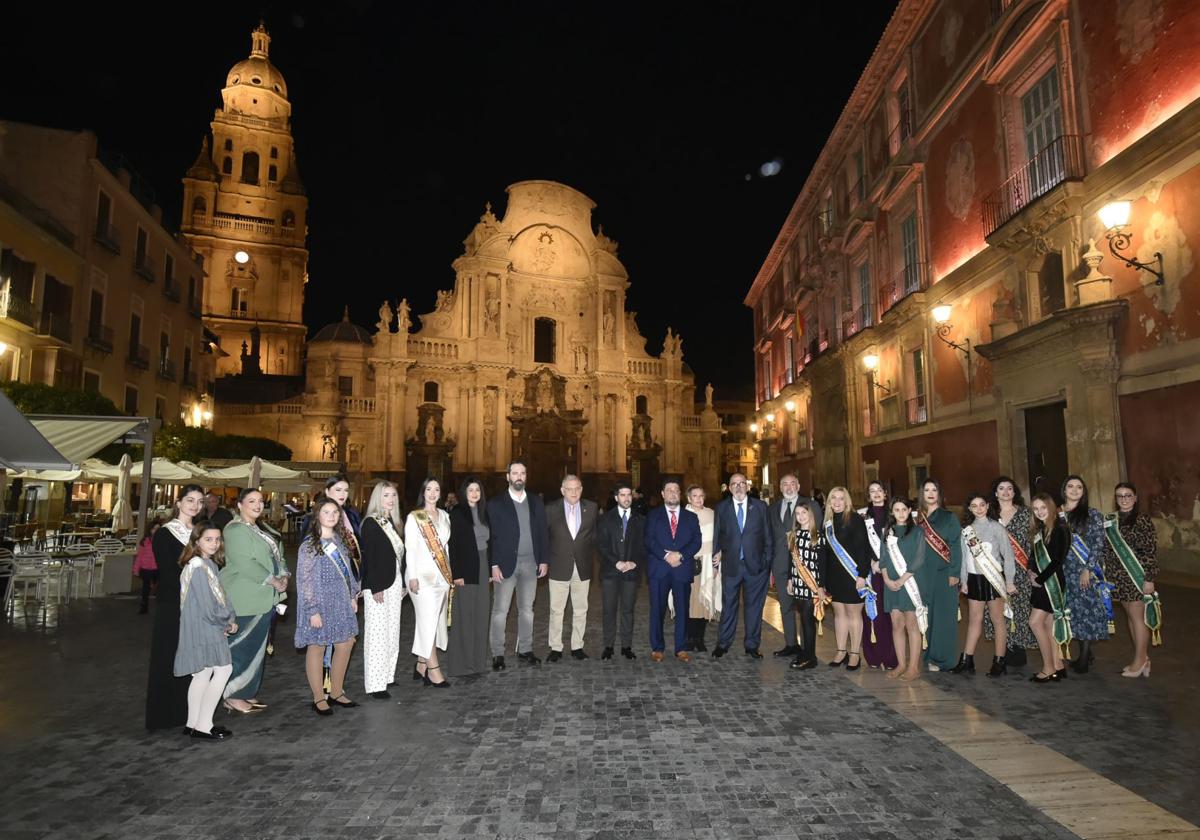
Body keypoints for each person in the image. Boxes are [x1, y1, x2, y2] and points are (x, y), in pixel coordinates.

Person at [220, 488, 289, 713]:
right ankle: (232, 695)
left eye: (260, 501)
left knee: (256, 650)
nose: (258, 505)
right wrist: (273, 581)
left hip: (263, 598)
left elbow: (278, 555)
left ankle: (247, 692)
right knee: (241, 648)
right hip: (245, 597)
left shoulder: (262, 529)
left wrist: (285, 575)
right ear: (239, 505)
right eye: (251, 501)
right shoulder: (235, 530)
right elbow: (245, 562)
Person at [145, 484, 206, 731]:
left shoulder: (202, 532)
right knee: (170, 656)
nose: (195, 505)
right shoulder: (165, 533)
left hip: (199, 604)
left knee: (195, 659)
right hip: (174, 604)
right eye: (190, 500)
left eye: (200, 501)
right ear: (178, 502)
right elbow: (168, 574)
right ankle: (165, 714)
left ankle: (189, 712)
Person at [295, 499, 362, 713]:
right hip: (320, 602)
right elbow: (304, 580)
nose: (331, 516)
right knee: (317, 646)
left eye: (335, 512)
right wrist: (312, 610)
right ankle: (319, 697)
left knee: (346, 643)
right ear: (317, 515)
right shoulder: (309, 545)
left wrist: (353, 595)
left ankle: (336, 691)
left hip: (341, 600)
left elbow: (349, 571)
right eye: (326, 512)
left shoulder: (340, 540)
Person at [174, 523, 238, 741]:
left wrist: (228, 617)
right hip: (205, 626)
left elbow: (217, 597)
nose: (214, 543)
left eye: (217, 539)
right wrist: (226, 623)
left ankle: (192, 723)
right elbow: (209, 606)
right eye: (208, 539)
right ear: (197, 541)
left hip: (198, 625)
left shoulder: (203, 564)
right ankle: (204, 724)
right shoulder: (199, 567)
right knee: (223, 670)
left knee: (202, 674)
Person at [487, 460, 549, 670]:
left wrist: (544, 559)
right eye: (515, 473)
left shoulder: (535, 502)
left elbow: (542, 532)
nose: (519, 477)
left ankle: (525, 649)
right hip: (505, 565)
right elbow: (492, 537)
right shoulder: (496, 504)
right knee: (500, 611)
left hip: (530, 563)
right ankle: (497, 654)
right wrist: (493, 564)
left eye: (522, 473)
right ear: (508, 476)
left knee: (527, 610)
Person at [954, 492, 1017, 677]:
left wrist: (1010, 581)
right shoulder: (966, 531)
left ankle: (999, 661)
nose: (979, 509)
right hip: (974, 580)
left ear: (988, 506)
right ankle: (967, 660)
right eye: (974, 506)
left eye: (982, 505)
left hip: (993, 579)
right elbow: (965, 559)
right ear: (970, 509)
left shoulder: (997, 528)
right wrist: (964, 581)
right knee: (974, 620)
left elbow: (1008, 556)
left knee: (997, 620)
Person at [711, 472, 773, 658]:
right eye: (734, 484)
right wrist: (715, 560)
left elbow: (768, 537)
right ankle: (723, 643)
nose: (738, 487)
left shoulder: (760, 507)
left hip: (756, 568)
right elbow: (717, 536)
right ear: (729, 488)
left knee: (754, 607)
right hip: (731, 566)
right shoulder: (722, 508)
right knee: (728, 606)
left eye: (741, 483)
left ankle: (752, 645)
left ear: (747, 486)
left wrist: (766, 563)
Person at [1101, 482, 1159, 678]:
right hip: (1119, 576)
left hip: (1137, 576)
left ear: (1135, 498)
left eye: (1128, 495)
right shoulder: (1111, 520)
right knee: (1130, 619)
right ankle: (1142, 658)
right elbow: (1107, 549)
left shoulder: (1142, 520)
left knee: (1137, 619)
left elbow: (1149, 551)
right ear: (1116, 499)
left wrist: (1149, 579)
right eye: (1120, 496)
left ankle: (1140, 661)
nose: (1124, 499)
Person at [644, 479, 702, 662]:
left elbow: (696, 541)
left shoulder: (691, 517)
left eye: (676, 490)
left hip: (682, 569)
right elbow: (649, 539)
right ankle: (657, 648)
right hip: (659, 569)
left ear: (680, 494)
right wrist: (665, 556)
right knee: (657, 610)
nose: (673, 493)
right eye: (669, 490)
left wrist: (681, 555)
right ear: (662, 494)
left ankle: (681, 648)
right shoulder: (653, 515)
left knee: (682, 610)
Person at [359, 481, 406, 699]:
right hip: (378, 585)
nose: (390, 499)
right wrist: (374, 586)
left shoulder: (393, 522)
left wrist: (403, 582)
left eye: (393, 495)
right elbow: (370, 558)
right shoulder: (371, 523)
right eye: (386, 495)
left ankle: (387, 675)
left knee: (392, 631)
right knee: (377, 634)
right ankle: (375, 684)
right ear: (378, 498)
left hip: (395, 582)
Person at [1060, 475, 1111, 673]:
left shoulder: (1092, 514)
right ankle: (1085, 653)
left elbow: (1098, 544)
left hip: (1084, 572)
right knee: (1072, 612)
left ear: (1084, 491)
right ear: (1064, 490)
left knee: (1086, 612)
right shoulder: (1056, 514)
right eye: (1070, 486)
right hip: (1064, 570)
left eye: (1079, 487)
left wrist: (1088, 569)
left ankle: (1083, 657)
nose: (1074, 490)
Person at [985, 477, 1037, 667]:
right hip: (995, 571)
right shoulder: (988, 514)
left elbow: (1033, 542)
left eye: (1009, 488)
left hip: (1021, 571)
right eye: (1001, 488)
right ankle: (1003, 650)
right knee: (998, 611)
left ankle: (1018, 649)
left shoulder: (1025, 514)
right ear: (996, 492)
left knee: (1020, 609)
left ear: (1014, 492)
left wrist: (1031, 567)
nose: (1006, 492)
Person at [405, 478, 453, 688]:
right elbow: (411, 549)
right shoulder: (415, 517)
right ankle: (434, 670)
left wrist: (449, 575)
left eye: (437, 489)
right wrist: (413, 576)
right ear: (423, 492)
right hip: (421, 577)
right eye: (429, 489)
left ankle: (421, 664)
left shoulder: (445, 516)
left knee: (434, 621)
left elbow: (445, 548)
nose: (433, 493)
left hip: (441, 576)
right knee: (427, 621)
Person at [546, 475, 598, 661]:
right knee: (556, 610)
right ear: (562, 490)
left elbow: (594, 536)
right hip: (559, 565)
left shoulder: (591, 508)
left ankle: (577, 646)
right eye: (570, 489)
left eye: (577, 488)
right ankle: (556, 647)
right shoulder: (551, 509)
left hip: (582, 566)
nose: (574, 492)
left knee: (581, 609)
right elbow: (545, 537)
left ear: (581, 489)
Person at [819, 487, 872, 670]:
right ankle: (841, 651)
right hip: (834, 577)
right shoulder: (827, 523)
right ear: (829, 501)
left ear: (847, 501)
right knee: (839, 614)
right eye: (833, 498)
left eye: (841, 498)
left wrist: (862, 575)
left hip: (853, 575)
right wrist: (822, 580)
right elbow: (824, 554)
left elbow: (864, 550)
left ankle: (855, 653)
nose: (837, 502)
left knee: (853, 614)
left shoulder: (855, 520)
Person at [915, 479, 962, 672]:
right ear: (921, 493)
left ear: (939, 493)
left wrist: (954, 572)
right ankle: (929, 656)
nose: (931, 493)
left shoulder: (949, 517)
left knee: (944, 618)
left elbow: (955, 546)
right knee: (927, 616)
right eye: (927, 490)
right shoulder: (916, 518)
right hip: (922, 575)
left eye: (934, 490)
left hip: (944, 574)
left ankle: (943, 659)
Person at [446, 477, 491, 677]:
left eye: (477, 490)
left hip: (483, 567)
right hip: (465, 568)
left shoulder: (484, 513)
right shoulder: (457, 513)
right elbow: (452, 546)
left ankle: (478, 662)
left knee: (482, 614)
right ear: (464, 492)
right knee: (464, 616)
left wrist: (490, 570)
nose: (474, 493)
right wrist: (457, 574)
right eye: (470, 489)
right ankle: (462, 665)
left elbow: (492, 543)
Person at [880, 497, 928, 682]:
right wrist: (886, 578)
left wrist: (901, 580)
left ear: (910, 511)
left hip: (910, 584)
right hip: (891, 585)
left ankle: (914, 667)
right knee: (897, 625)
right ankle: (901, 664)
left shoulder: (917, 532)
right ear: (892, 512)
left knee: (911, 624)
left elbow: (919, 559)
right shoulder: (888, 533)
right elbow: (883, 557)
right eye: (896, 509)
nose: (900, 513)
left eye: (903, 509)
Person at [597, 483, 645, 660]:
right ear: (616, 497)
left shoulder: (640, 520)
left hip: (631, 573)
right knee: (609, 610)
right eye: (622, 495)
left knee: (628, 610)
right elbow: (601, 545)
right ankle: (608, 646)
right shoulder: (605, 519)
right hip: (611, 572)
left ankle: (626, 646)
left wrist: (634, 562)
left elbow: (643, 546)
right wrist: (616, 562)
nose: (626, 498)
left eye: (629, 495)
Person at [768, 474, 812, 658]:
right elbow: (769, 536)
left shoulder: (810, 504)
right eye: (784, 483)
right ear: (780, 487)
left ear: (799, 485)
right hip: (780, 564)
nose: (788, 487)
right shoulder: (773, 508)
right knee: (785, 606)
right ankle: (791, 644)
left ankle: (807, 648)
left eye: (792, 483)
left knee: (804, 608)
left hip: (803, 564)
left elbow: (816, 532)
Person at [1028, 493, 1070, 683]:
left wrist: (1041, 578)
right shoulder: (1040, 529)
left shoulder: (1061, 529)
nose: (1039, 512)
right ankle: (1058, 665)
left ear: (1051, 507)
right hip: (1040, 582)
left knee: (1035, 622)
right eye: (1036, 509)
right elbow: (1032, 556)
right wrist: (1030, 572)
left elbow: (1057, 560)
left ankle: (1048, 667)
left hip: (1050, 582)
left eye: (1043, 508)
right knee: (1048, 625)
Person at [858, 481, 898, 670]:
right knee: (871, 613)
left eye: (879, 490)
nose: (876, 494)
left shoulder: (895, 515)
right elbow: (860, 545)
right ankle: (873, 656)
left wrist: (883, 564)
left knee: (889, 614)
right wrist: (871, 564)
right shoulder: (862, 516)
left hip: (891, 570)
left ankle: (890, 656)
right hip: (870, 572)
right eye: (872, 491)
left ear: (885, 493)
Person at [786, 500, 826, 671]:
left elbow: (823, 563)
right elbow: (791, 560)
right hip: (797, 582)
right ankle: (805, 652)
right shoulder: (794, 534)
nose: (801, 517)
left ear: (811, 514)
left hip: (812, 583)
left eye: (804, 513)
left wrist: (821, 586)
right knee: (802, 619)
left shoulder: (818, 535)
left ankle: (811, 657)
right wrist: (789, 579)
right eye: (798, 514)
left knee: (808, 621)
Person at [684, 484, 718, 651]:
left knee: (705, 601)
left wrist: (717, 559)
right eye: (694, 496)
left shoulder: (711, 514)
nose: (698, 499)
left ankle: (700, 639)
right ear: (689, 498)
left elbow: (718, 538)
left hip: (707, 562)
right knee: (690, 601)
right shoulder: (683, 515)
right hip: (689, 561)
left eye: (701, 495)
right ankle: (689, 638)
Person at [133, 519, 162, 615]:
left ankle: (161, 608)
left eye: (158, 529)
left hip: (157, 569)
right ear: (150, 529)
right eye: (154, 529)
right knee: (145, 589)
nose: (156, 531)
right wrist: (136, 569)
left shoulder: (162, 541)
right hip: (146, 569)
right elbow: (139, 556)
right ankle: (144, 606)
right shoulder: (144, 541)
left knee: (159, 589)